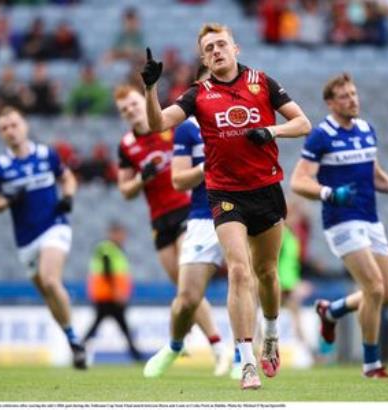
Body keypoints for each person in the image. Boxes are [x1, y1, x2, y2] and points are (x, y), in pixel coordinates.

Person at [141, 22, 311, 389]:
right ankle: (246, 361)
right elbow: (157, 124)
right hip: (225, 194)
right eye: (209, 48)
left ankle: (270, 332)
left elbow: (303, 123)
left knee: (266, 273)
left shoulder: (262, 82)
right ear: (204, 57)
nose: (216, 51)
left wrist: (272, 130)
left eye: (221, 44)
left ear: (236, 49)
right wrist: (151, 88)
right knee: (239, 271)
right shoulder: (198, 94)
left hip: (266, 189)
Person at [290, 73, 388, 378]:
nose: (352, 100)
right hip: (341, 221)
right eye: (344, 96)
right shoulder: (321, 136)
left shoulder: (368, 130)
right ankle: (371, 364)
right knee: (374, 288)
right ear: (330, 103)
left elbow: (374, 173)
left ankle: (332, 311)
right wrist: (329, 193)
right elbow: (299, 181)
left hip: (371, 219)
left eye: (354, 94)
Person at [114, 84, 225, 369]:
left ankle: (217, 347)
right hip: (159, 220)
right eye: (124, 109)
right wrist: (142, 179)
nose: (131, 111)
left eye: (134, 104)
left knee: (189, 288)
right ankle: (184, 334)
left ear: (144, 102)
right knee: (182, 288)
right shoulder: (127, 145)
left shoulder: (170, 127)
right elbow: (125, 191)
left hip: (188, 210)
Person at [0, 106, 86, 370]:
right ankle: (73, 339)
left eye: (14, 125)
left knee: (50, 280)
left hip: (54, 226)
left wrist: (68, 197)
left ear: (24, 126)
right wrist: (6, 201)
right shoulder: (0, 167)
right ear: (0, 134)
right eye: (4, 128)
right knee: (49, 294)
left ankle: (72, 335)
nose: (10, 131)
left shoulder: (45, 154)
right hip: (26, 239)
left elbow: (67, 178)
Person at [143, 66, 231, 379]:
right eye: (210, 80)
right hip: (201, 215)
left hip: (241, 211)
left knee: (247, 280)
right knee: (186, 299)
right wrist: (208, 167)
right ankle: (176, 345)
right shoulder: (187, 129)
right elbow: (179, 181)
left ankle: (242, 356)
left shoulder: (240, 118)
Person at [83, 222, 142, 362]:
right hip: (107, 295)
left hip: (108, 295)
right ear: (113, 233)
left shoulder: (115, 249)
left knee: (112, 325)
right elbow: (107, 272)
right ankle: (136, 355)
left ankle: (79, 347)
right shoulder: (106, 249)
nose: (123, 237)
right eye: (120, 234)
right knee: (120, 326)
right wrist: (117, 292)